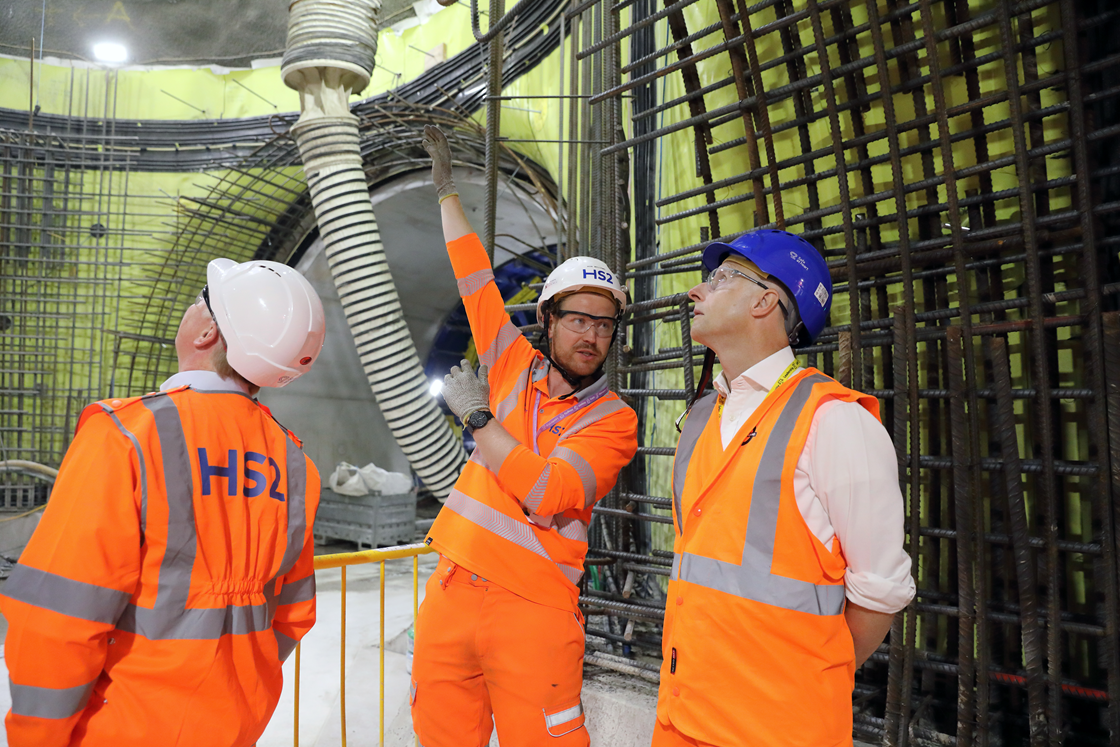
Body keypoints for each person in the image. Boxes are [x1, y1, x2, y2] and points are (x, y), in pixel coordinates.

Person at [0, 258, 327, 747]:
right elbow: (293, 613)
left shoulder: (128, 434)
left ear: (207, 333)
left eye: (201, 297)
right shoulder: (295, 463)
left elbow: (60, 615)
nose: (191, 305)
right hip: (234, 724)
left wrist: (37, 736)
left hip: (121, 725)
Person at [412, 125, 638, 747]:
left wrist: (478, 419)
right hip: (454, 588)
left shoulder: (614, 420)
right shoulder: (511, 362)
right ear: (547, 319)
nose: (591, 335)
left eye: (604, 323)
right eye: (577, 319)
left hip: (535, 609)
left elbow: (548, 491)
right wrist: (446, 192)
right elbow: (474, 280)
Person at [654, 230, 915, 747]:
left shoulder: (835, 422)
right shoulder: (703, 416)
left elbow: (880, 593)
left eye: (722, 277)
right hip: (682, 716)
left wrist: (804, 674)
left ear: (765, 300)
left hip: (779, 729)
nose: (696, 292)